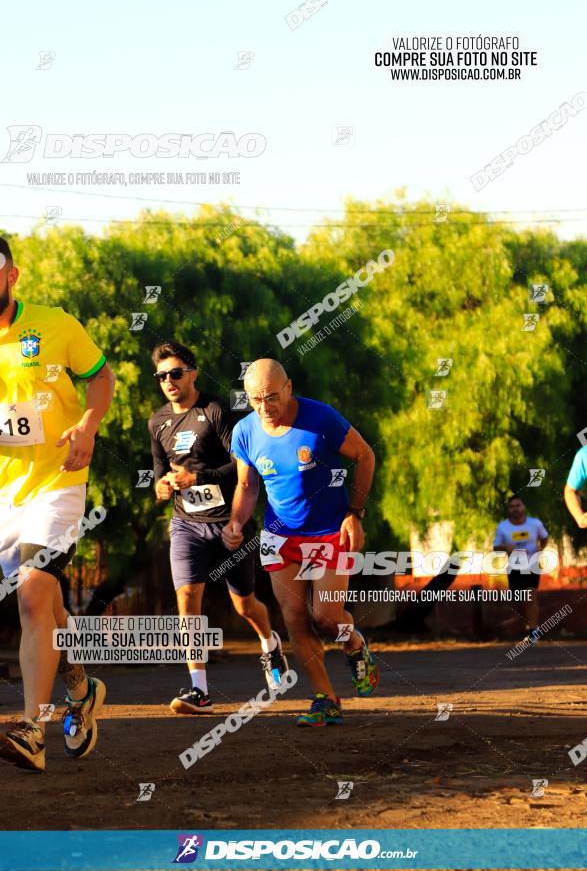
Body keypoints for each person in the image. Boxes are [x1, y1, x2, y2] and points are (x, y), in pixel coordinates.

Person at [0, 236, 115, 771]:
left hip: (59, 481)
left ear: (12, 275)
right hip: (4, 493)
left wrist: (88, 427)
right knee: (49, 611)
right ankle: (79, 684)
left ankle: (31, 730)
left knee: (32, 594)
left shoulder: (54, 324)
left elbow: (100, 377)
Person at [222, 358, 378, 727]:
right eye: (256, 400)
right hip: (280, 536)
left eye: (272, 398)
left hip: (328, 531)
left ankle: (354, 643)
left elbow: (365, 455)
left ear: (288, 387)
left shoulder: (321, 419)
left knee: (326, 617)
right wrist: (236, 522)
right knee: (294, 617)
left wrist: (355, 512)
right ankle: (325, 698)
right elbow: (246, 486)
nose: (265, 408)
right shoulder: (245, 432)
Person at [148, 342, 287, 715]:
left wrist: (199, 476)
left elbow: (242, 467)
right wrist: (161, 486)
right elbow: (161, 473)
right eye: (162, 376)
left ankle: (269, 643)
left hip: (229, 525)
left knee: (244, 604)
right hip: (186, 526)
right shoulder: (157, 421)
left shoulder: (215, 411)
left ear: (192, 372)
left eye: (176, 373)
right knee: (187, 601)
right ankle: (199, 690)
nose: (169, 381)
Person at [493, 495, 548, 633]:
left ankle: (533, 629)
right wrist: (505, 547)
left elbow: (545, 537)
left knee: (531, 595)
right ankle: (528, 622)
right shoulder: (502, 527)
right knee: (519, 600)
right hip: (514, 566)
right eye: (512, 506)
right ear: (508, 509)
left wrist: (540, 549)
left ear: (523, 507)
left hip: (532, 564)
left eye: (518, 506)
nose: (515, 509)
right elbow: (496, 547)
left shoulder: (535, 524)